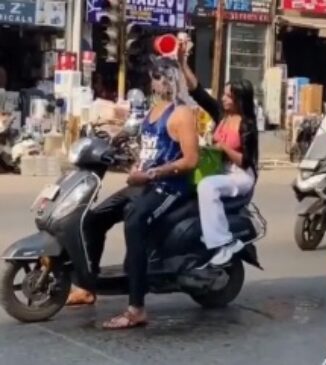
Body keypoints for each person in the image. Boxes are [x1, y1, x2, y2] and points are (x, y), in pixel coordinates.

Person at [66, 57, 200, 330]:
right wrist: (136, 164)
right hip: (144, 183)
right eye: (154, 77)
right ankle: (86, 286)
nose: (156, 82)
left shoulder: (182, 113)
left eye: (160, 77)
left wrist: (151, 173)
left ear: (172, 79)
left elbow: (190, 160)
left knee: (134, 224)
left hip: (169, 187)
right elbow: (149, 147)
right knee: (93, 219)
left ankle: (136, 308)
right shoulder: (154, 110)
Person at [178, 40, 259, 265]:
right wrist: (182, 62)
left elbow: (247, 161)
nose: (223, 99)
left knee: (207, 186)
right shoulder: (221, 117)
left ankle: (223, 241)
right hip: (221, 171)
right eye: (223, 95)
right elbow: (198, 92)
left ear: (239, 100)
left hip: (241, 176)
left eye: (228, 96)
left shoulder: (247, 125)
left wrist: (223, 147)